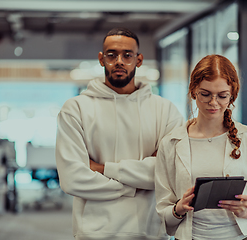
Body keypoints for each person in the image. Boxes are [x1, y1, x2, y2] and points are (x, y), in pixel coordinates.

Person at [55, 27, 184, 240]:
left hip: (149, 231)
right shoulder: (75, 109)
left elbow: (169, 173)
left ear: (139, 60)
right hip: (93, 233)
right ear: (101, 59)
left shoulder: (165, 110)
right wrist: (136, 185)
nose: (119, 61)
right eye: (112, 54)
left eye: (127, 55)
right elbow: (72, 178)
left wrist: (102, 168)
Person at [155, 54, 247, 240]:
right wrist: (178, 209)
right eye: (205, 94)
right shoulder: (171, 143)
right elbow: (163, 211)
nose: (213, 103)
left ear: (232, 96)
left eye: (222, 96)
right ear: (193, 91)